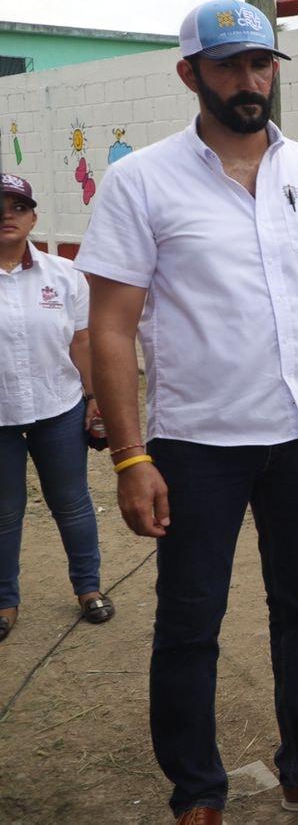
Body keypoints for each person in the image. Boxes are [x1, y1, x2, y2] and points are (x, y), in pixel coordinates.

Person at [76, 0, 298, 823]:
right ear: (191, 74)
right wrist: (129, 454)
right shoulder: (140, 180)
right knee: (190, 622)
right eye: (228, 65)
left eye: (261, 65)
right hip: (197, 447)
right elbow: (110, 328)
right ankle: (197, 793)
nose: (249, 81)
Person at [1, 174, 112, 644]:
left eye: (18, 206)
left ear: (33, 216)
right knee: (5, 511)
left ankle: (88, 588)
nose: (7, 215)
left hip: (58, 407)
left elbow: (83, 341)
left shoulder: (65, 276)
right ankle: (5, 600)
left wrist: (94, 400)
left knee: (72, 503)